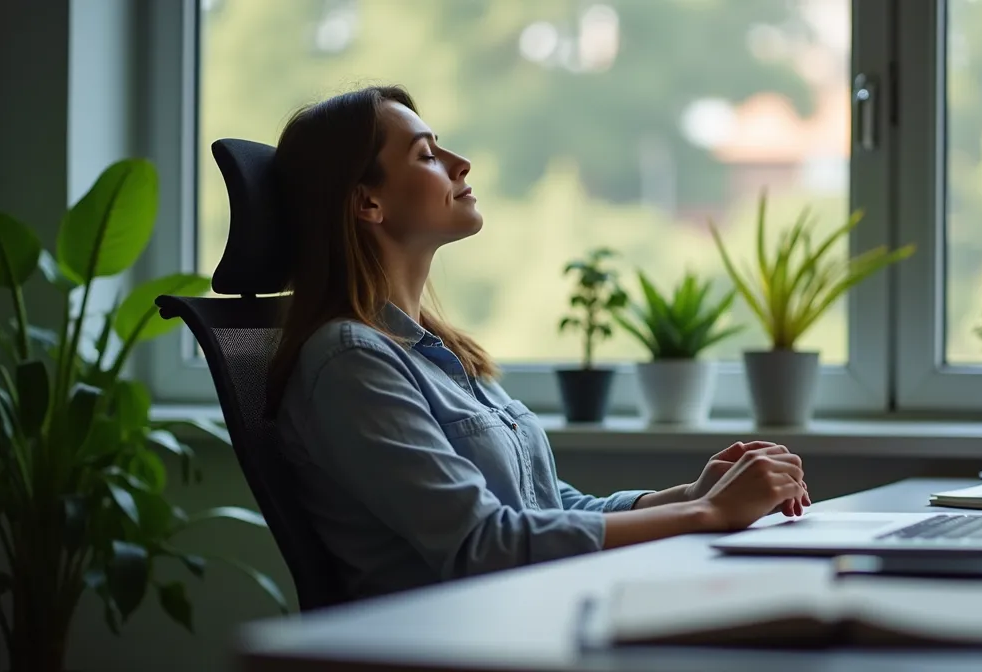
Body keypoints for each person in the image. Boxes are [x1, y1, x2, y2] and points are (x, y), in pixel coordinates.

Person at [264, 85, 810, 600]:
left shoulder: (438, 354)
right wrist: (710, 516)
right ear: (367, 204)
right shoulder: (350, 362)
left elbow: (548, 507)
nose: (460, 164)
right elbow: (486, 545)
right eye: (427, 155)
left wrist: (693, 495)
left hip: (529, 614)